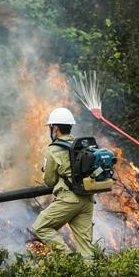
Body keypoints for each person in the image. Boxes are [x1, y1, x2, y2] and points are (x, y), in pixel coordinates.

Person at [32, 107, 95, 261]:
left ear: (55, 128)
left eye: (51, 128)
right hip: (87, 200)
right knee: (85, 247)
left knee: (40, 227)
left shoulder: (53, 150)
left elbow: (49, 181)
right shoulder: (82, 146)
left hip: (69, 200)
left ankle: (68, 259)